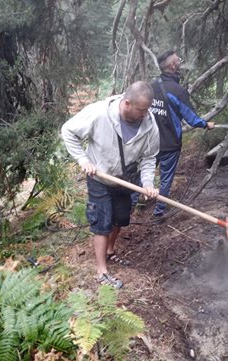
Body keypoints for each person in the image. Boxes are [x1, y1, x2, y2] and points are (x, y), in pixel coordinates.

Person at [61, 81, 159, 289]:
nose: (145, 114)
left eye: (147, 109)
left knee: (121, 218)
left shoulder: (150, 125)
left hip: (126, 179)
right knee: (102, 221)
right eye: (141, 109)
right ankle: (101, 271)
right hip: (100, 178)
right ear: (126, 103)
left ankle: (109, 250)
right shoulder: (99, 114)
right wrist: (83, 160)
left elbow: (150, 158)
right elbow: (68, 131)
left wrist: (148, 183)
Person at [150, 50, 215, 217]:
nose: (180, 61)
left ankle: (131, 206)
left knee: (144, 174)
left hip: (149, 143)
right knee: (165, 180)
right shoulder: (178, 91)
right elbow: (192, 119)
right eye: (178, 59)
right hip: (170, 144)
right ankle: (158, 213)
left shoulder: (151, 86)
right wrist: (206, 124)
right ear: (172, 65)